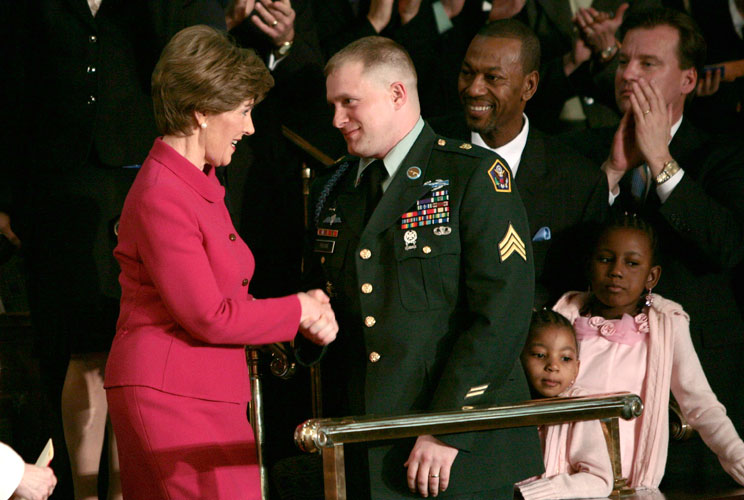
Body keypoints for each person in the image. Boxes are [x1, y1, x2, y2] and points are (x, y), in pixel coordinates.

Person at [300, 35, 543, 499]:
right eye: (333, 105)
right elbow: (325, 297)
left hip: (459, 453)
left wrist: (446, 427)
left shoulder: (473, 175)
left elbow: (503, 315)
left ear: (397, 94)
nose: (336, 119)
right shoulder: (337, 187)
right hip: (371, 446)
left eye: (349, 102)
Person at [103, 25, 337, 500]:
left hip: (203, 393)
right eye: (244, 111)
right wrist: (299, 310)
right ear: (202, 111)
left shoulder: (198, 183)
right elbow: (208, 315)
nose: (250, 127)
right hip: (172, 399)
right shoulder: (162, 195)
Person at [562, 6, 744, 484]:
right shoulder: (584, 152)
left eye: (648, 64)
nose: (628, 75)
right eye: (623, 61)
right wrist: (612, 173)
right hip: (595, 402)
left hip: (695, 391)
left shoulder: (721, 154)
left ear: (687, 79)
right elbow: (561, 256)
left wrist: (662, 161)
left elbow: (726, 247)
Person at [552, 214, 744, 489]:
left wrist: (738, 458)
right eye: (605, 259)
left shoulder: (665, 326)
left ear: (651, 275)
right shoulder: (563, 317)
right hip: (559, 474)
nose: (616, 271)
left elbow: (701, 404)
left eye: (631, 263)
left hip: (626, 478)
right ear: (589, 264)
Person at [431, 19, 609, 306]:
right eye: (467, 73)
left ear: (529, 86)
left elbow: (575, 297)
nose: (474, 89)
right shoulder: (424, 148)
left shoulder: (579, 183)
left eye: (492, 78)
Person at [516, 309, 613, 500]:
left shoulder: (579, 409)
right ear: (518, 357)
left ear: (576, 369)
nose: (553, 366)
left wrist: (532, 494)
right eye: (540, 355)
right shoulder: (505, 404)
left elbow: (600, 480)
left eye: (565, 358)